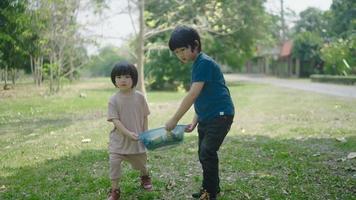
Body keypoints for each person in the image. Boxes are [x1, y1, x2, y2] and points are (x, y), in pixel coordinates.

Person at [165, 26, 234, 200]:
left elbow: (192, 94)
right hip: (207, 117)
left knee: (207, 152)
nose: (180, 55)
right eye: (176, 52)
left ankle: (210, 193)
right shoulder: (198, 64)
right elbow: (201, 96)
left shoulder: (204, 62)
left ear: (195, 45)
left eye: (182, 50)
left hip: (220, 115)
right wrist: (195, 120)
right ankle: (211, 188)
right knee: (204, 154)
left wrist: (174, 119)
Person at [107, 61, 152, 200]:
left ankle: (145, 176)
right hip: (119, 141)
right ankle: (115, 190)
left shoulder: (140, 97)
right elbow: (115, 120)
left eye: (126, 76)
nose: (123, 80)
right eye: (119, 77)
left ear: (133, 78)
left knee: (142, 164)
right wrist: (127, 133)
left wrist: (145, 134)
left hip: (137, 140)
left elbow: (145, 117)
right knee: (114, 163)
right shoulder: (113, 100)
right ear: (114, 80)